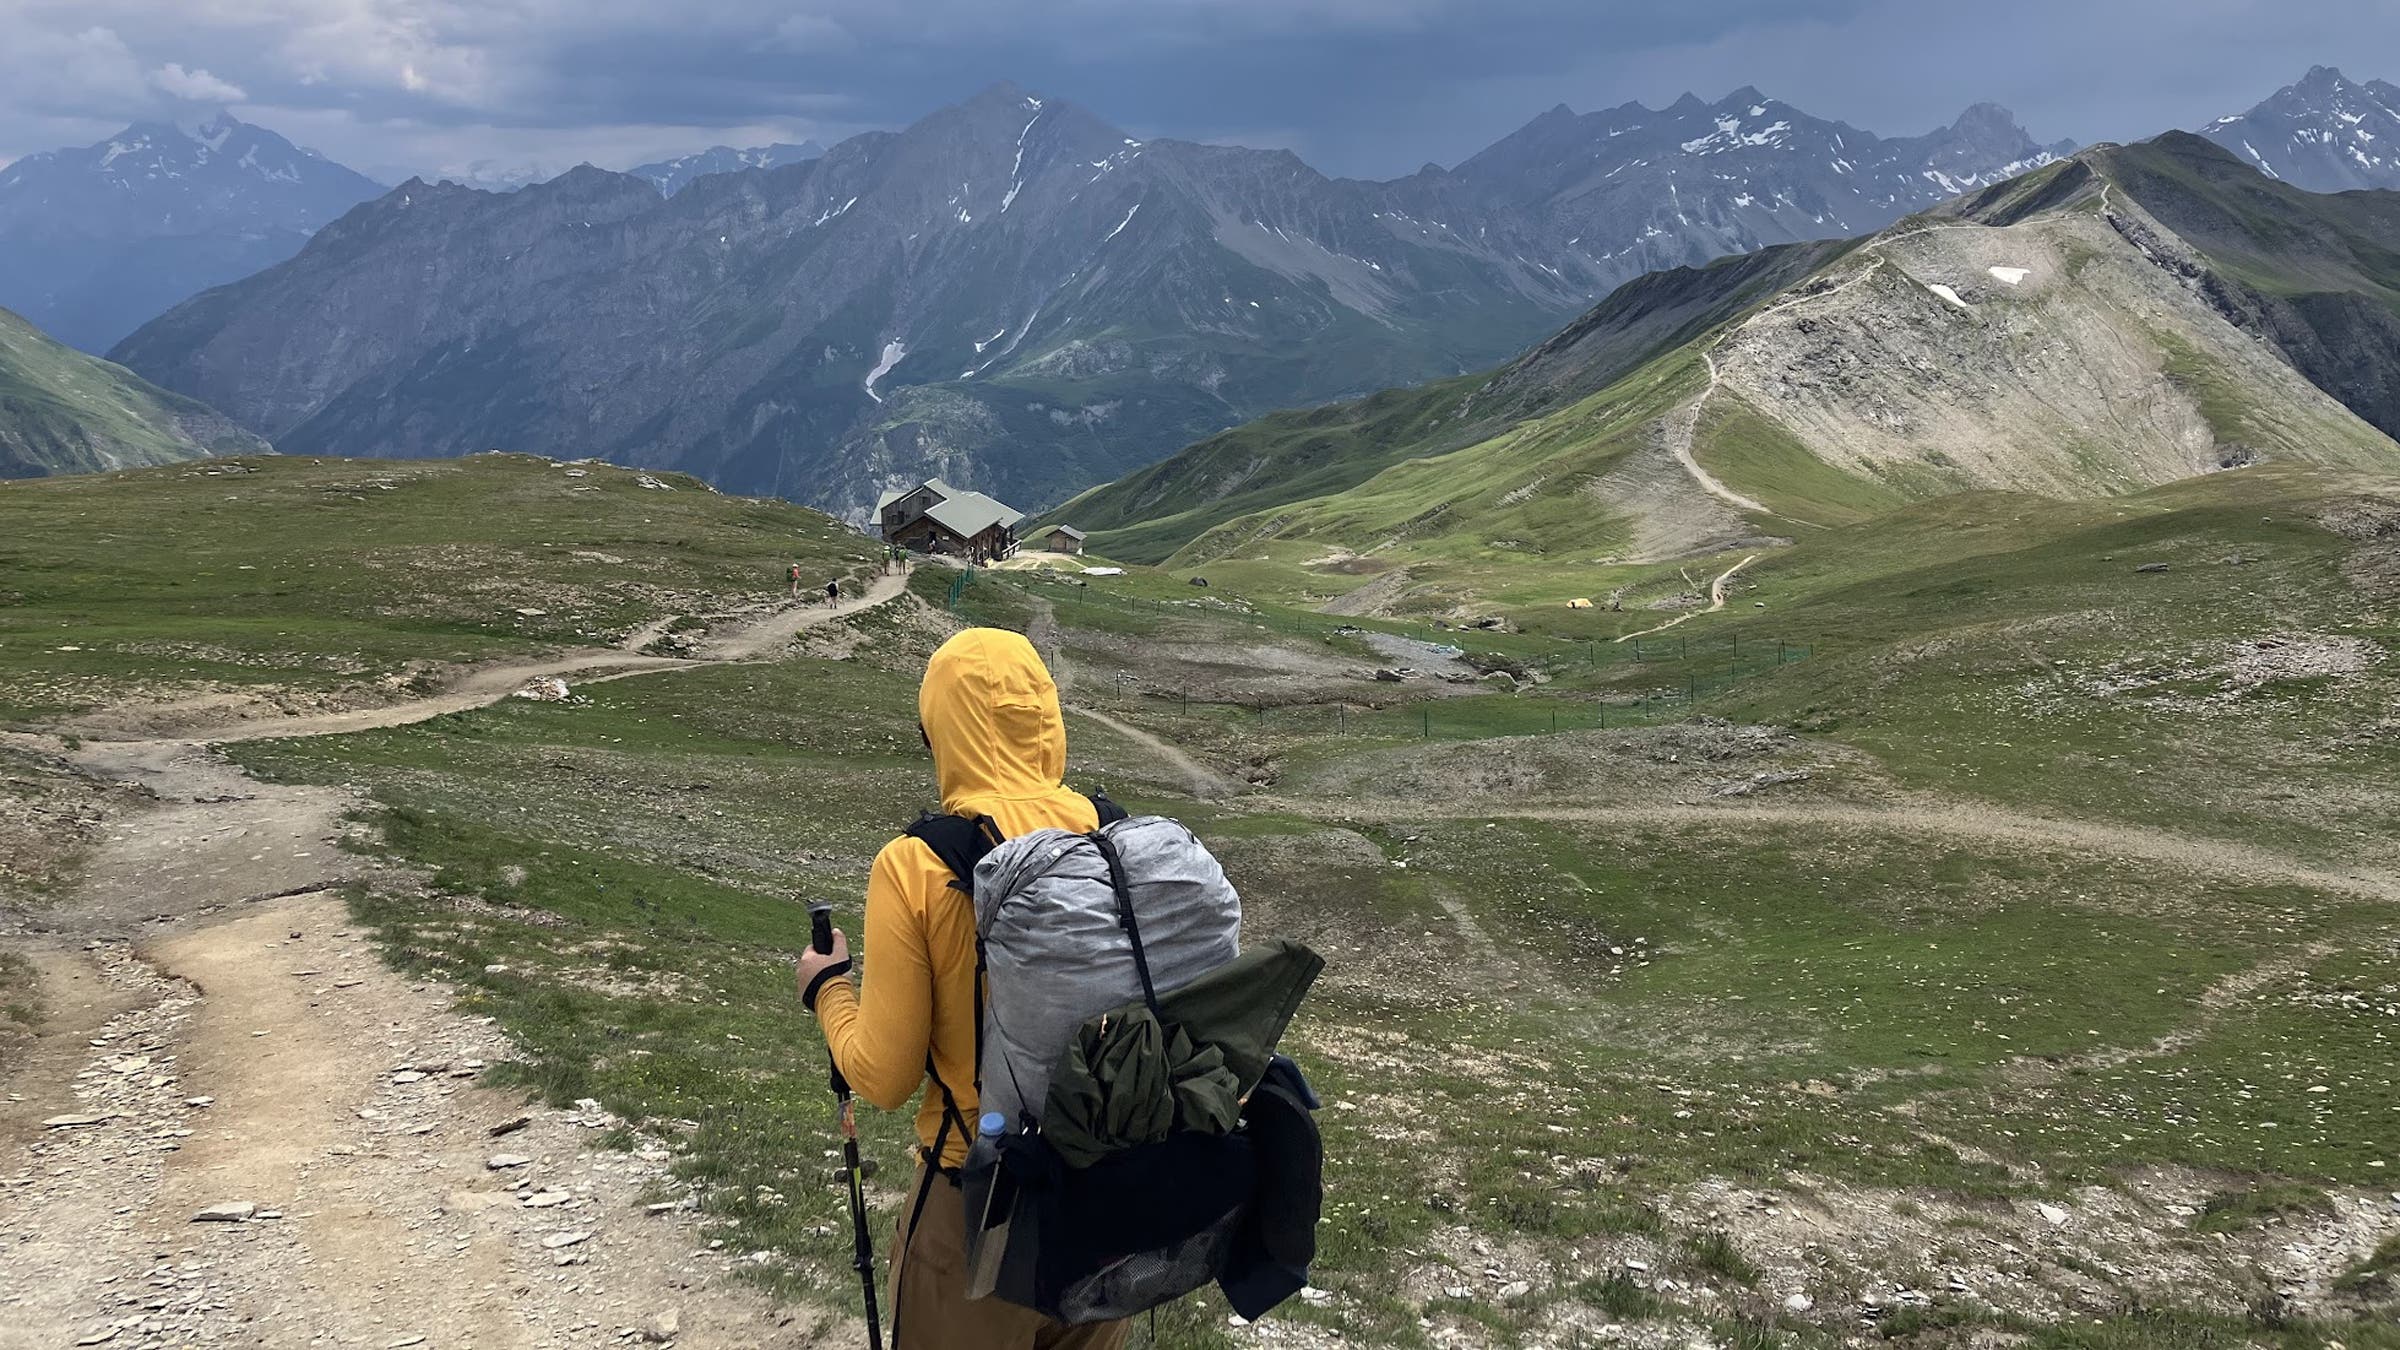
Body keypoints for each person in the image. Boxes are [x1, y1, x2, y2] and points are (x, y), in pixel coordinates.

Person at [795, 629, 1127, 1350]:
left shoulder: (917, 865)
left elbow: (883, 1078)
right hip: (1111, 1207)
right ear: (1046, 717)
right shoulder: (1115, 839)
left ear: (942, 729)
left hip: (977, 1204)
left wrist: (828, 989)